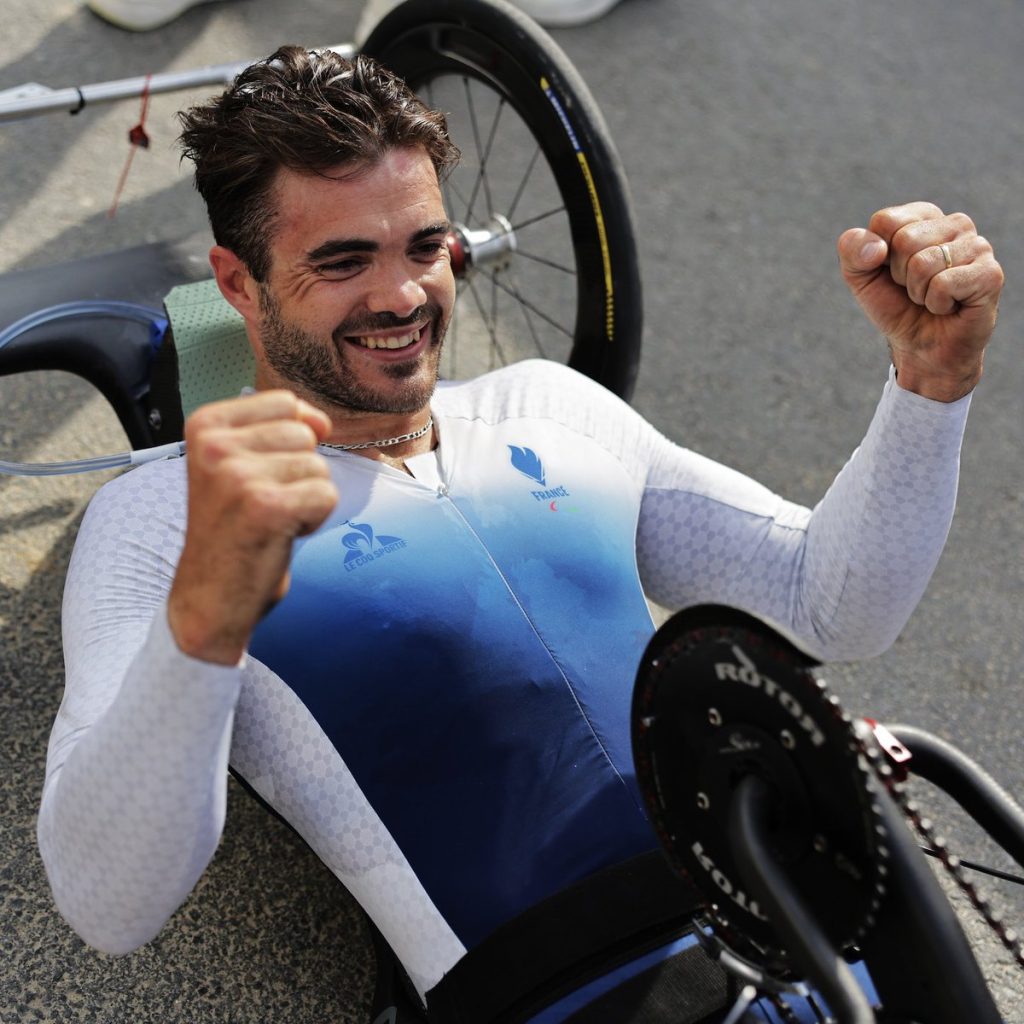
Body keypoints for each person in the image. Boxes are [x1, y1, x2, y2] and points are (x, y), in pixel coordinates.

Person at [36, 45, 1003, 1024]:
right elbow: (109, 903)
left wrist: (928, 388)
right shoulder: (164, 516)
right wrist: (200, 622)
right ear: (237, 285)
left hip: (798, 921)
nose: (403, 295)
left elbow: (826, 601)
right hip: (557, 992)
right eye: (342, 260)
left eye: (424, 246)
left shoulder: (543, 406)